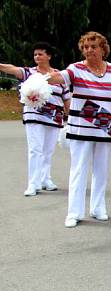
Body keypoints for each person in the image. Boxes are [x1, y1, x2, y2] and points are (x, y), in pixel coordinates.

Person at [47, 31, 111, 228]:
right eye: (85, 47)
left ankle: (98, 207)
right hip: (80, 129)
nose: (89, 50)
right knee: (79, 169)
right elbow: (60, 78)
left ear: (103, 49)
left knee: (101, 170)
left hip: (105, 129)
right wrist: (48, 78)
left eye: (93, 46)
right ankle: (74, 212)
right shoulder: (75, 69)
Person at [0, 42, 71, 196]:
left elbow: (66, 99)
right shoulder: (29, 73)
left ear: (49, 56)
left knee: (48, 150)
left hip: (54, 118)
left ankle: (45, 179)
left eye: (40, 54)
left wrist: (70, 116)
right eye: (35, 54)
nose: (37, 57)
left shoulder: (59, 76)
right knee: (35, 149)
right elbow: (11, 68)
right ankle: (33, 183)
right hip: (34, 115)